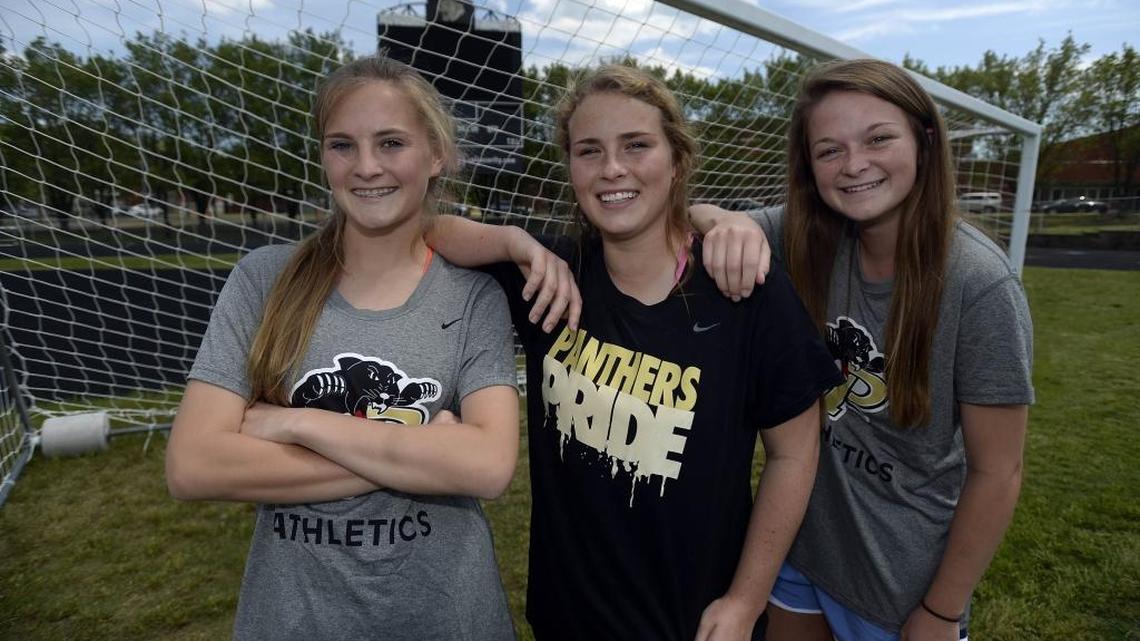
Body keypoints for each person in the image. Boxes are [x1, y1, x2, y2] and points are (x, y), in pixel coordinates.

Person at [426, 64, 842, 641]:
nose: (612, 168)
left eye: (636, 145)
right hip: (568, 618)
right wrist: (513, 242)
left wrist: (745, 601)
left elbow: (794, 455)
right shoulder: (553, 277)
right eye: (589, 151)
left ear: (677, 160)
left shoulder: (742, 286)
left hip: (693, 620)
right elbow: (428, 230)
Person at [165, 55, 519, 641]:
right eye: (342, 145)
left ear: (436, 155)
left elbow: (486, 466)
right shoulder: (264, 279)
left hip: (447, 618)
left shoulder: (473, 296)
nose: (366, 166)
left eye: (391, 142)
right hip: (295, 620)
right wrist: (422, 453)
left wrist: (297, 424)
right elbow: (193, 466)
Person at [691, 58, 1034, 641]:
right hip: (801, 549)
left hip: (900, 584)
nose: (854, 164)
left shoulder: (979, 285)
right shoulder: (809, 236)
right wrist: (728, 222)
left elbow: (997, 472)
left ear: (925, 141)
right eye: (829, 150)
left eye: (878, 139)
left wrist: (942, 611)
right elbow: (692, 214)